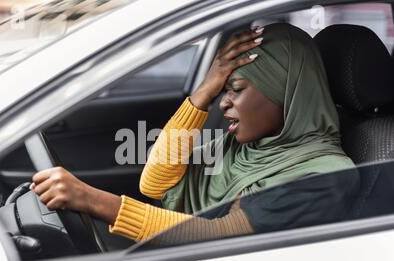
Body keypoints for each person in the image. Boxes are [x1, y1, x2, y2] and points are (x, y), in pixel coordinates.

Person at [29, 23, 356, 243]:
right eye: (221, 91)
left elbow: (221, 237)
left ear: (285, 91)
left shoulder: (324, 176)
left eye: (236, 89)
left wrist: (91, 200)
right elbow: (155, 183)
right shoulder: (247, 146)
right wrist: (202, 93)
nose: (223, 103)